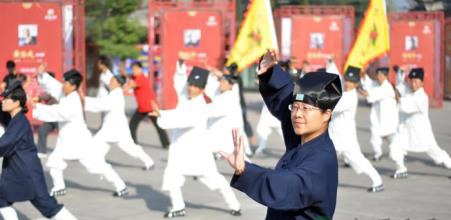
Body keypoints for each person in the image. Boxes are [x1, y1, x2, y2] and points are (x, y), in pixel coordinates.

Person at [221, 50, 341, 220]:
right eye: (296, 107)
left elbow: (287, 186)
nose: (298, 114)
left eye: (306, 109)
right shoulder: (301, 138)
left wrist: (246, 170)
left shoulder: (321, 159)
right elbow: (286, 98)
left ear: (326, 114)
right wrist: (271, 72)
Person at [151, 66, 241, 218]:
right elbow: (179, 109)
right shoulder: (186, 99)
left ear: (202, 89)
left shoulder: (200, 106)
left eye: (196, 86)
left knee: (214, 181)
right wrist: (179, 63)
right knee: (172, 176)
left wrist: (162, 115)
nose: (192, 88)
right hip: (180, 149)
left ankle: (234, 204)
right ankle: (178, 206)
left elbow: (185, 119)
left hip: (197, 151)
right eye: (191, 84)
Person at [32, 67, 128, 197]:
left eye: (65, 82)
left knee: (96, 166)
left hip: (80, 141)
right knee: (54, 161)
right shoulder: (65, 92)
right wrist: (42, 75)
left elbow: (59, 113)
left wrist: (37, 107)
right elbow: (53, 85)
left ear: (73, 86)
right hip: (65, 139)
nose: (63, 84)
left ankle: (120, 186)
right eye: (63, 81)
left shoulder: (73, 100)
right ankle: (59, 186)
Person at [0, 80, 77, 220]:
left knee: (48, 207)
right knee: (1, 199)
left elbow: (4, 144)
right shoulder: (13, 118)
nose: (3, 101)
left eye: (6, 99)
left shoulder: (19, 123)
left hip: (28, 173)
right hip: (16, 171)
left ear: (17, 103)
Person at [329, 66, 384, 192]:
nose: (348, 83)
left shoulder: (350, 97)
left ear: (356, 83)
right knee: (322, 159)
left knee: (358, 161)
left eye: (351, 81)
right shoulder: (344, 92)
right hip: (335, 135)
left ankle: (378, 181)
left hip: (345, 137)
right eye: (346, 80)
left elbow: (334, 106)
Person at [388, 68, 451, 178]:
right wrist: (398, 73)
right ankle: (401, 169)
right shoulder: (408, 88)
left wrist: (395, 93)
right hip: (404, 131)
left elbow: (403, 105)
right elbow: (400, 86)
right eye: (411, 81)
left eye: (416, 81)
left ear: (422, 83)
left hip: (422, 133)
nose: (413, 84)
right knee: (394, 148)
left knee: (437, 155)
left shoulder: (422, 97)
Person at [84, 74, 155, 170]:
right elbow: (100, 103)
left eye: (113, 81)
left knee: (129, 148)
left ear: (119, 84)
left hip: (115, 128)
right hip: (113, 128)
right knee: (97, 148)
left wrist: (83, 101)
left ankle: (104, 170)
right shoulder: (115, 93)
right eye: (110, 81)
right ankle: (149, 162)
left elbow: (100, 105)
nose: (110, 83)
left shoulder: (115, 95)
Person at [125, 61, 170, 148]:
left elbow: (131, 85)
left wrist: (121, 87)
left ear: (140, 69)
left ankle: (166, 144)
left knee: (158, 125)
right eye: (132, 69)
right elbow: (130, 78)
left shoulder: (141, 78)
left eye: (135, 68)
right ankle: (133, 143)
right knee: (133, 124)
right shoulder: (135, 77)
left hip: (150, 107)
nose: (133, 70)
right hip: (143, 107)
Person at [359, 67, 399, 161]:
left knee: (391, 138)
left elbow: (372, 94)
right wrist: (363, 75)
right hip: (377, 117)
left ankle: (398, 154)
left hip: (388, 117)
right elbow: (369, 83)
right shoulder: (376, 84)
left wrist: (363, 92)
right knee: (374, 135)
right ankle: (378, 153)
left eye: (380, 75)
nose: (378, 76)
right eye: (378, 74)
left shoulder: (387, 87)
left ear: (385, 76)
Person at [34, 71, 58, 158]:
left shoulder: (56, 88)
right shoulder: (48, 88)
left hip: (60, 116)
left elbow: (46, 96)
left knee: (66, 134)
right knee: (42, 130)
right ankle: (41, 151)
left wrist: (38, 98)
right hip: (51, 116)